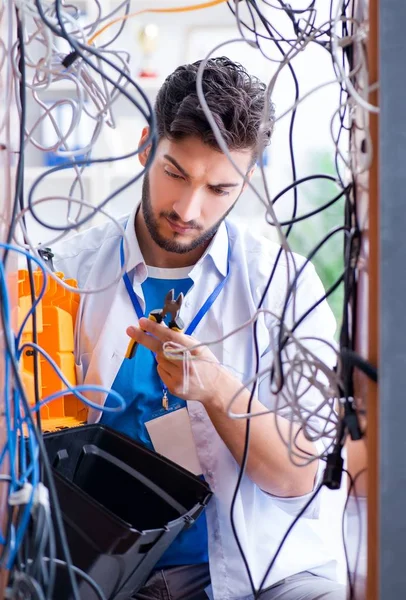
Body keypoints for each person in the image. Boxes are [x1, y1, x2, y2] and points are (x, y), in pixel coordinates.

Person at [54, 57, 346, 600]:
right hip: (107, 572)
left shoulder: (284, 286)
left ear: (248, 181)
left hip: (265, 569)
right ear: (147, 147)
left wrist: (215, 391)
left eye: (219, 188)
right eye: (175, 174)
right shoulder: (65, 272)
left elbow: (298, 476)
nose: (188, 208)